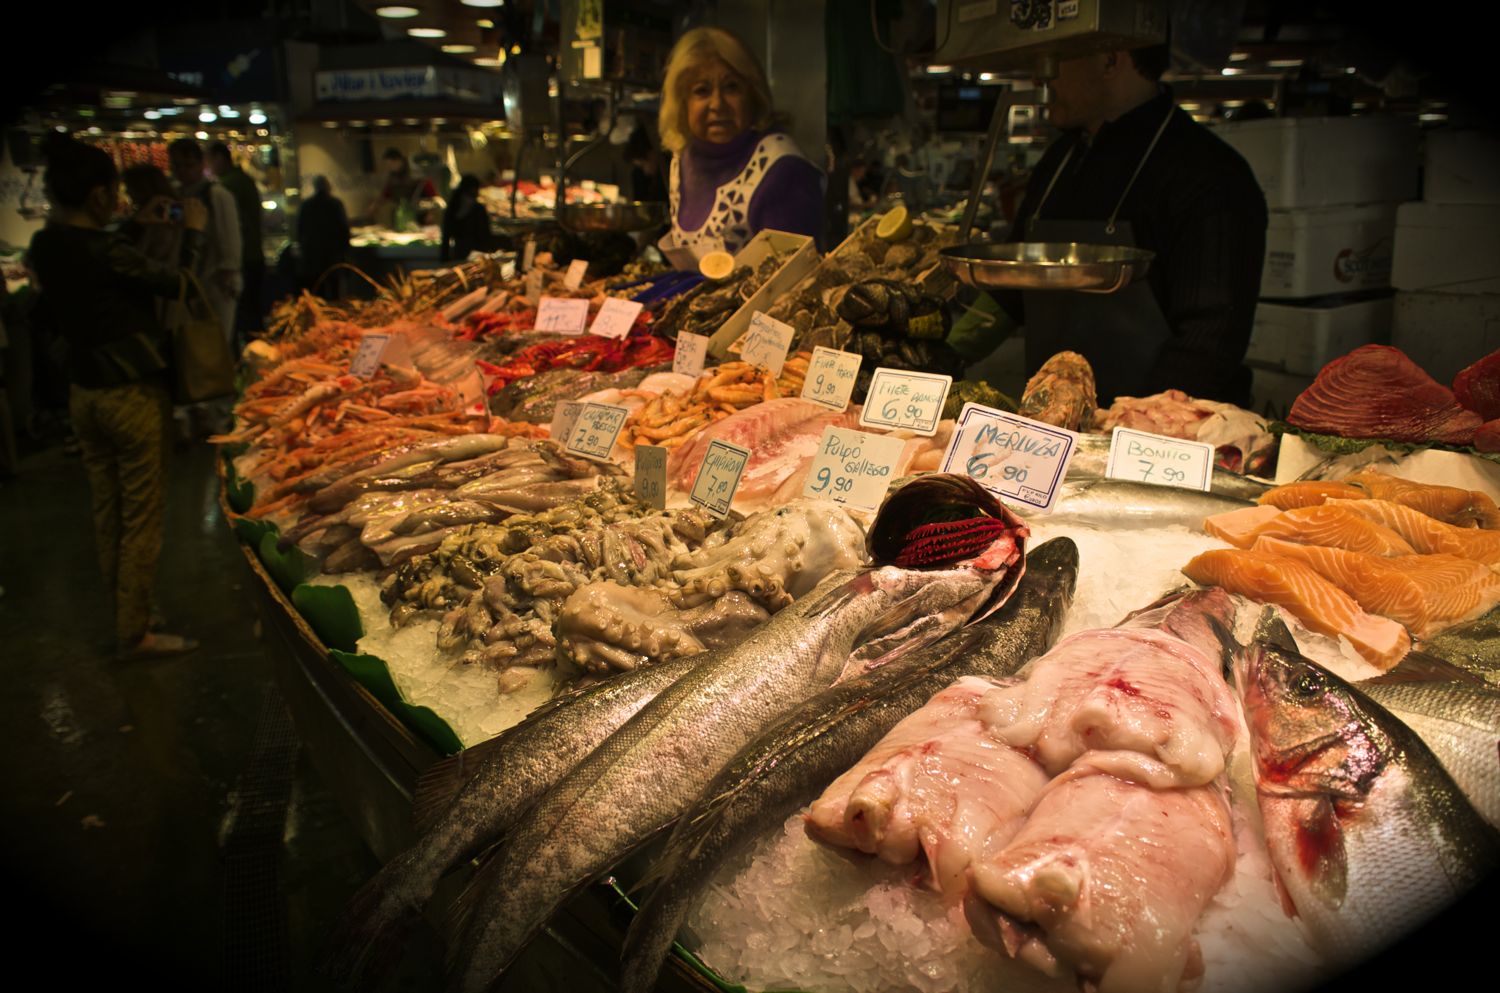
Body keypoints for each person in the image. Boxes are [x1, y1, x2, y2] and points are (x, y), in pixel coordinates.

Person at [991, 33, 1268, 407]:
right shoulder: (1061, 159)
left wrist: (1131, 427)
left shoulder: (1209, 173)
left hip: (1164, 430)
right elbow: (1013, 286)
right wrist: (944, 350)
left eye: (1055, 60)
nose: (1042, 78)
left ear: (1109, 59)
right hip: (1059, 422)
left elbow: (1210, 338)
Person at [25, 134, 205, 659]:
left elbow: (93, 264)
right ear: (100, 195)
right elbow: (180, 284)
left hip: (84, 395)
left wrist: (134, 225)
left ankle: (129, 610)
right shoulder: (107, 249)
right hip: (131, 395)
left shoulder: (46, 244)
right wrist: (190, 235)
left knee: (107, 511)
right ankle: (135, 633)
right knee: (143, 515)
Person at [656, 26, 825, 262]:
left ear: (752, 94)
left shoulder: (784, 171)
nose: (717, 104)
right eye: (701, 91)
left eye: (731, 87)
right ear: (682, 103)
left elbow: (797, 281)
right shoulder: (683, 158)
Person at [168, 138, 241, 345]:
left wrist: (228, 270)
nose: (182, 171)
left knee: (216, 344)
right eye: (176, 166)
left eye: (188, 165)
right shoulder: (176, 195)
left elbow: (229, 236)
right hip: (188, 280)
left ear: (201, 164)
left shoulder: (217, 194)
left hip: (215, 281)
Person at [206, 142, 265, 344]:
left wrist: (228, 265)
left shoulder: (224, 188)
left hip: (242, 261)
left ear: (219, 158)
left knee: (241, 320)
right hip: (252, 256)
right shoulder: (243, 180)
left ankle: (247, 363)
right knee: (252, 317)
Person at [296, 176, 351, 296]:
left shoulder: (306, 205)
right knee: (334, 292)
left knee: (317, 292)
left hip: (312, 257)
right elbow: (344, 230)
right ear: (328, 187)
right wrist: (345, 251)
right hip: (332, 256)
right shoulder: (335, 204)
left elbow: (299, 231)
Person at [375, 148, 437, 229]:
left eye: (390, 165)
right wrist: (375, 206)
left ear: (397, 160)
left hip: (420, 215)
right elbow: (387, 193)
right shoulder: (393, 177)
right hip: (401, 216)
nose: (389, 168)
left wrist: (430, 213)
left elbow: (432, 194)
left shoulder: (414, 173)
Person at [440, 175, 496, 262]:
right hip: (472, 253)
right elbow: (485, 234)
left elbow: (446, 234)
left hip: (461, 252)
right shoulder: (477, 208)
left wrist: (444, 257)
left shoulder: (454, 206)